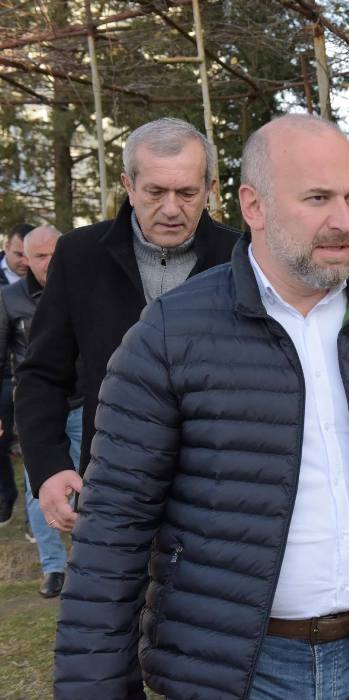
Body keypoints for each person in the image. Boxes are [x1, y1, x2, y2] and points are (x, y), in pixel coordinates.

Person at [54, 114, 349, 700]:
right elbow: (113, 530)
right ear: (254, 206)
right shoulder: (170, 334)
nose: (343, 221)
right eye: (317, 198)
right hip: (232, 674)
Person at [16, 118, 240, 535]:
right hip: (111, 489)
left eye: (187, 193)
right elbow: (42, 374)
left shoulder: (243, 259)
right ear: (128, 185)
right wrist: (48, 466)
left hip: (223, 495)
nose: (171, 208)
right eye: (155, 192)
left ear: (209, 189)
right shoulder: (79, 255)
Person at [0, 226, 81, 597]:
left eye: (55, 253)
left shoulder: (85, 288)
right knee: (38, 489)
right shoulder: (9, 299)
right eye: (40, 256)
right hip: (37, 409)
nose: (49, 262)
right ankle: (53, 567)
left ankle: (86, 560)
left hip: (86, 403)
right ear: (25, 261)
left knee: (91, 484)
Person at [0, 222, 32, 526]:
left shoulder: (46, 279)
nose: (24, 261)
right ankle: (5, 496)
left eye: (28, 255)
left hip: (28, 372)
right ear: (6, 247)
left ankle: (36, 516)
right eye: (18, 254)